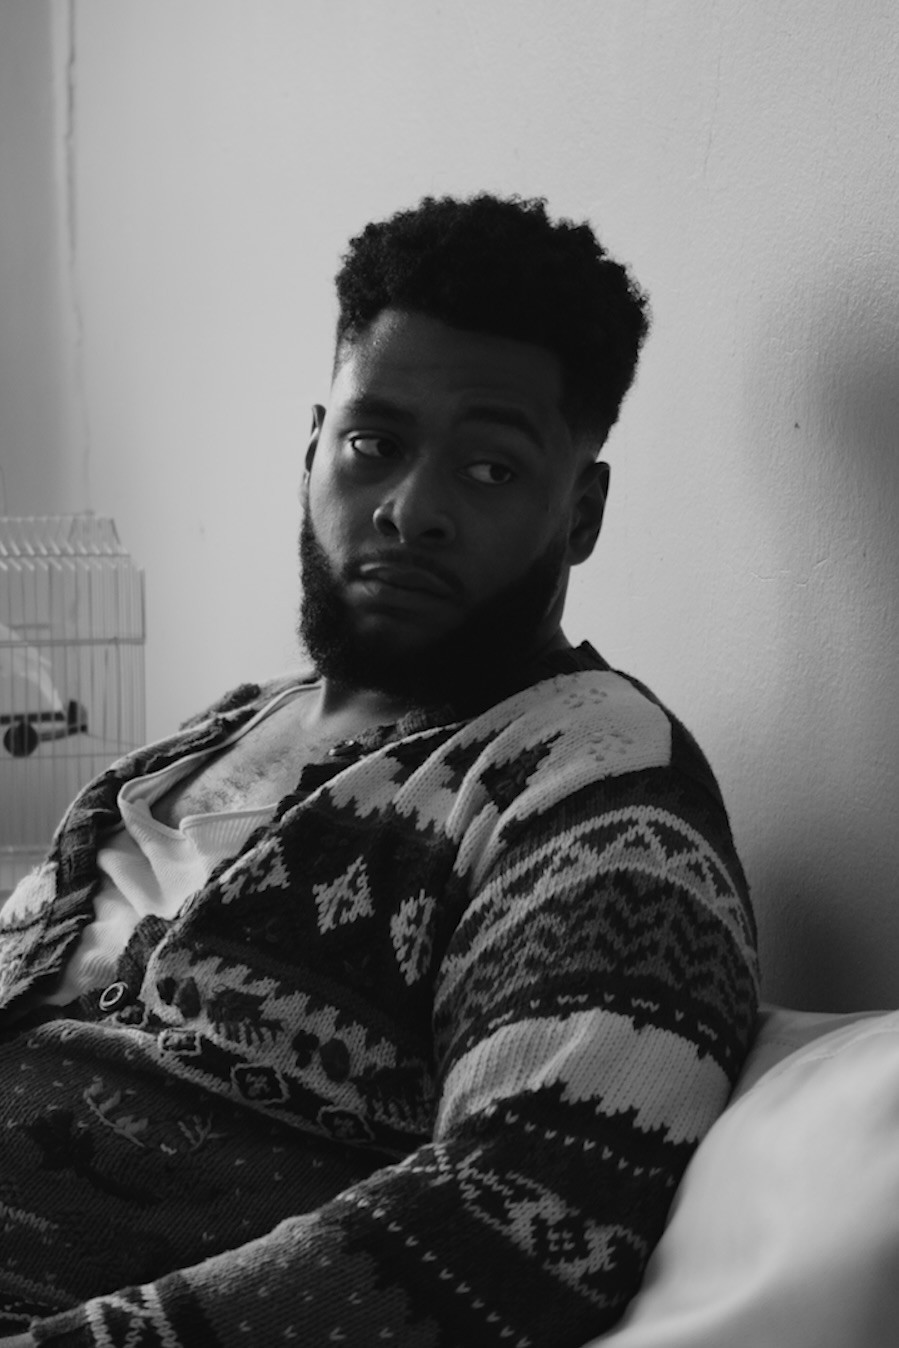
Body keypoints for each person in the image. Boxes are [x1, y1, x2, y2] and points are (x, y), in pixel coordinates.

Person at [0, 193, 759, 1348]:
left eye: (490, 468)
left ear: (582, 511)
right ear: (314, 446)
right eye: (373, 445)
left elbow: (524, 1220)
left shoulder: (592, 786)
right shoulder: (201, 742)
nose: (410, 510)